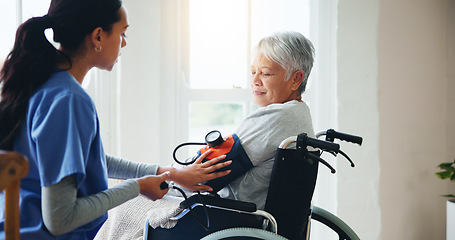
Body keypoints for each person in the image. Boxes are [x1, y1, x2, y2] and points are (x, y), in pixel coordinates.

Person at [0, 0, 230, 239]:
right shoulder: (69, 100)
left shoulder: (41, 83)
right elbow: (60, 218)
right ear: (98, 37)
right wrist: (138, 187)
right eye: (122, 33)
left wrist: (169, 172)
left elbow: (86, 158)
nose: (124, 43)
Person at [94, 30, 315, 239]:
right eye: (252, 72)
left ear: (296, 79)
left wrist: (172, 177)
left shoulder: (276, 117)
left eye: (265, 73)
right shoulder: (299, 115)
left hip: (229, 216)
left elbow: (211, 173)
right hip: (242, 212)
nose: (255, 80)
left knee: (127, 202)